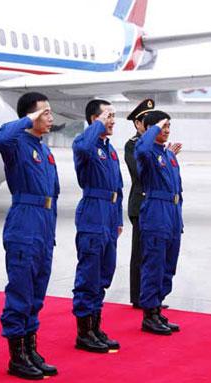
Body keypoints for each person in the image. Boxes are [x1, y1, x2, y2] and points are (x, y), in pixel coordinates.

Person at [0, 92, 60, 379]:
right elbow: (1, 137)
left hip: (44, 224)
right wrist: (27, 119)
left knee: (37, 291)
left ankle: (31, 348)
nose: (51, 118)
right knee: (21, 290)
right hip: (24, 222)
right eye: (45, 113)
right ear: (30, 116)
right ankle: (17, 356)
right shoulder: (17, 143)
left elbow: (53, 194)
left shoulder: (45, 150)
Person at [72, 99, 123, 353]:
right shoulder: (87, 144)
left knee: (104, 272)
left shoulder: (110, 149)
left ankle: (95, 326)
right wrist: (96, 127)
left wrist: (119, 219)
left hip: (110, 214)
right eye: (108, 115)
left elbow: (119, 187)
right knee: (89, 273)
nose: (113, 120)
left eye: (114, 115)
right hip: (93, 211)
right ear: (94, 119)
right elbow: (81, 146)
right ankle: (84, 332)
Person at [135, 110, 183, 335]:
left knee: (168, 265)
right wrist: (151, 127)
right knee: (154, 264)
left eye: (168, 126)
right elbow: (143, 147)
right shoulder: (146, 152)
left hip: (172, 213)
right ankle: (149, 314)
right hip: (156, 212)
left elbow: (177, 188)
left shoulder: (167, 154)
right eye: (163, 127)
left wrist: (179, 219)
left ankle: (157, 308)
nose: (167, 130)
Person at [124, 99, 155, 308]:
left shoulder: (154, 146)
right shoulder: (133, 145)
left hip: (154, 206)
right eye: (147, 122)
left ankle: (151, 295)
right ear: (137, 124)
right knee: (140, 253)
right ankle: (138, 297)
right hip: (140, 204)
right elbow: (140, 172)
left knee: (153, 253)